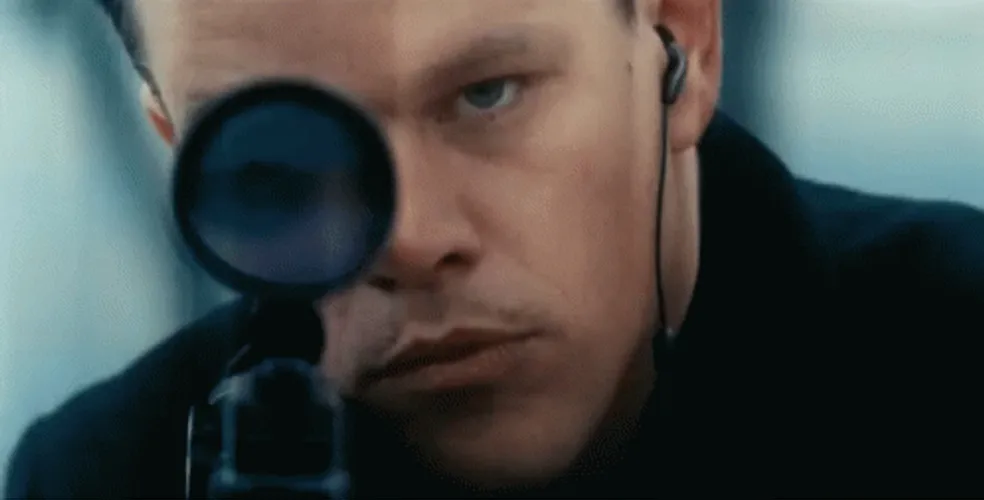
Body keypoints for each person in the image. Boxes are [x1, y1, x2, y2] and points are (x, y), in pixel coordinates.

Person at [6, 0, 984, 497]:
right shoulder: (103, 476)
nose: (410, 238)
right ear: (182, 151)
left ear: (681, 45)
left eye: (487, 95)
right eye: (282, 153)